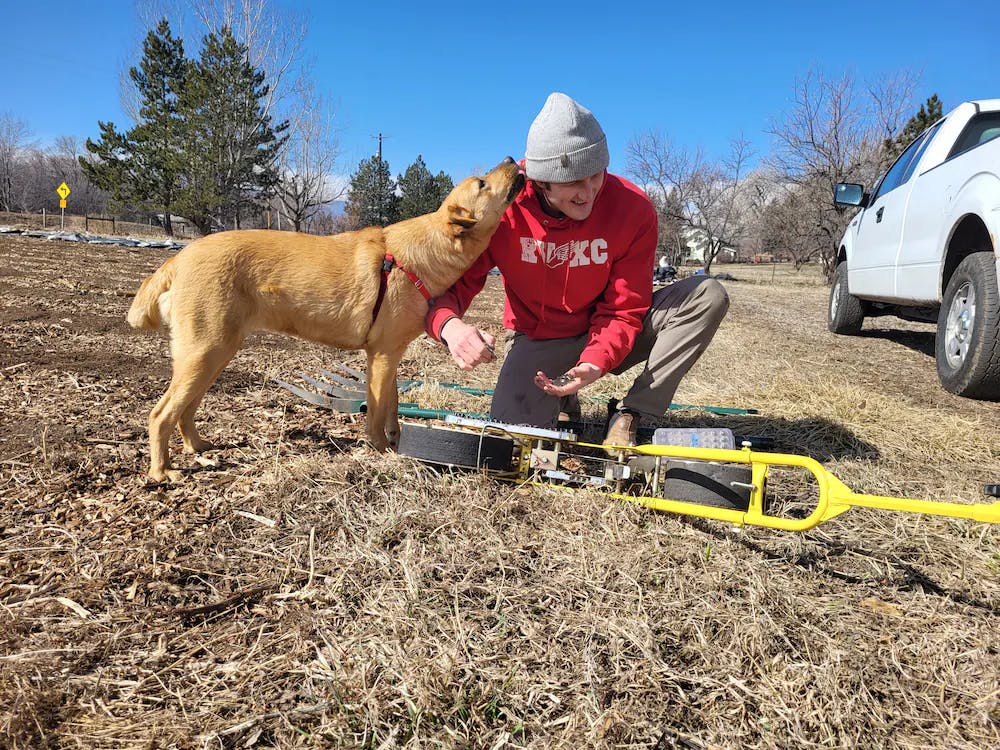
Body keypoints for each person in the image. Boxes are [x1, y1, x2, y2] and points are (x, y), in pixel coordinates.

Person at [425, 92, 729, 449]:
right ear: (540, 181)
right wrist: (450, 326)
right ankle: (562, 399)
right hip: (542, 338)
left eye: (595, 175)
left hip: (613, 330)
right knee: (514, 439)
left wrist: (593, 363)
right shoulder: (501, 207)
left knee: (708, 294)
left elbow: (623, 308)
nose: (589, 193)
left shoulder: (632, 208)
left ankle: (632, 411)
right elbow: (447, 284)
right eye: (573, 182)